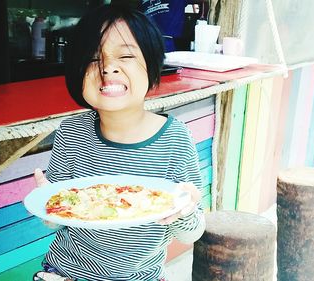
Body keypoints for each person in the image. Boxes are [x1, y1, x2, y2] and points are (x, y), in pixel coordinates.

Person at [32, 4, 206, 281]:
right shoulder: (72, 132)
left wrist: (184, 212)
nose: (108, 68)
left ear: (151, 66)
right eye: (92, 58)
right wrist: (46, 204)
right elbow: (54, 221)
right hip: (67, 273)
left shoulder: (174, 139)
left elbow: (191, 234)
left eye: (125, 55)